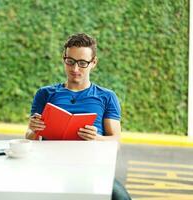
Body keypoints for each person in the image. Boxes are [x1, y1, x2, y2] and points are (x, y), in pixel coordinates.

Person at [25, 33, 131, 200]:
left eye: (82, 63)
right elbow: (29, 137)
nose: (75, 69)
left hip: (91, 169)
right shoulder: (45, 94)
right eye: (70, 61)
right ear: (64, 59)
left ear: (93, 63)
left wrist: (96, 138)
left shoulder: (106, 96)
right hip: (49, 167)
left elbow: (116, 142)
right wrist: (34, 129)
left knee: (122, 198)